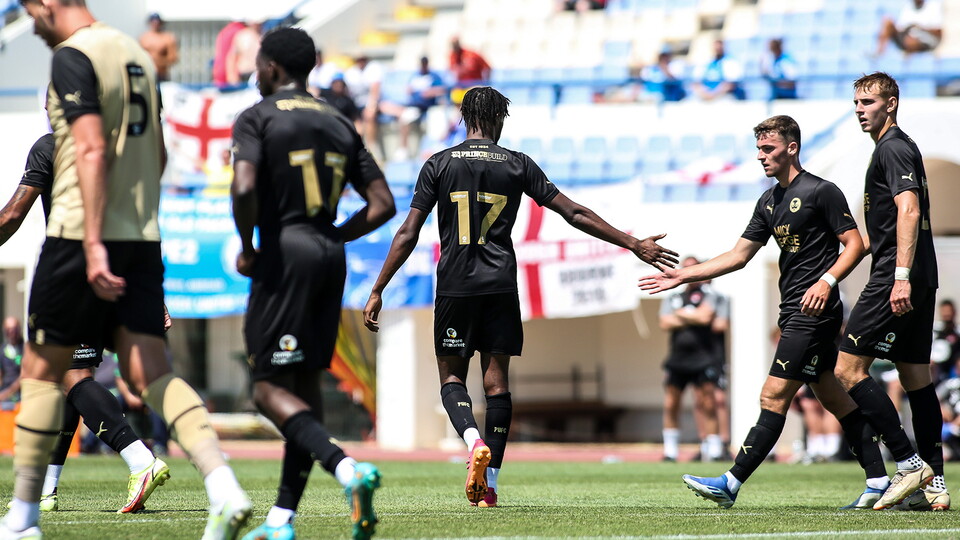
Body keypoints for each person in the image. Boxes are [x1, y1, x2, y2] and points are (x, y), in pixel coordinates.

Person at [362, 86, 679, 508]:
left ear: (465, 117)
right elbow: (574, 212)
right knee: (497, 385)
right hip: (500, 285)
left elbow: (408, 232)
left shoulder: (438, 163)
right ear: (497, 119)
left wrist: (379, 287)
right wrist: (631, 242)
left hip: (456, 285)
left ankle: (473, 441)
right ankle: (489, 484)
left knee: (453, 377)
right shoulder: (517, 163)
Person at [7, 2, 251, 539]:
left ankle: (22, 519)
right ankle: (223, 486)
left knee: (42, 368)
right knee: (151, 373)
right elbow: (158, 156)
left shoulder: (75, 56)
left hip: (79, 234)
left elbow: (91, 147)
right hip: (140, 236)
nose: (34, 25)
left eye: (32, 13)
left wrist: (92, 242)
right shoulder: (136, 56)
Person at [640, 115, 888, 510]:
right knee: (833, 396)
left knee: (773, 394)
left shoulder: (822, 191)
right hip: (793, 312)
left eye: (768, 148)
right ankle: (878, 480)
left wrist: (826, 282)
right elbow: (738, 256)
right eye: (758, 149)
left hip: (815, 312)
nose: (761, 156)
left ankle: (731, 481)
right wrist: (683, 276)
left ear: (791, 148)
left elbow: (857, 245)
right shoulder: (769, 200)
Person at [230, 27, 394, 540]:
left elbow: (244, 186)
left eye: (259, 65)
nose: (256, 74)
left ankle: (347, 469)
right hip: (329, 253)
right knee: (303, 386)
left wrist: (251, 244)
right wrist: (337, 234)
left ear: (274, 68)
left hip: (286, 253)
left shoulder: (256, 117)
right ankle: (282, 520)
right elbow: (383, 203)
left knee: (265, 387)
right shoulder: (340, 121)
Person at [0, 132, 169, 514]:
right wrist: (152, 294)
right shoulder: (117, 145)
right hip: (118, 268)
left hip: (73, 268)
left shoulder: (51, 146)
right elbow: (137, 219)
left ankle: (140, 459)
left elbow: (12, 214)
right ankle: (48, 486)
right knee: (71, 378)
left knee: (71, 375)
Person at [834, 71, 946, 511]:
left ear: (891, 103)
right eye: (857, 102)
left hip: (896, 276)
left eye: (868, 102)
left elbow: (909, 208)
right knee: (916, 377)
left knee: (847, 369)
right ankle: (935, 486)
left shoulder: (893, 147)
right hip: (922, 275)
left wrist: (899, 274)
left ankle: (908, 461)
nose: (860, 109)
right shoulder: (894, 148)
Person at [658, 257, 725, 462]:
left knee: (708, 402)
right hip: (678, 358)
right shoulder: (673, 296)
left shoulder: (710, 294)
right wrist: (692, 315)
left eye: (691, 268)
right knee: (671, 403)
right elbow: (664, 323)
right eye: (684, 268)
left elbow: (707, 318)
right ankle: (670, 451)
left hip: (703, 358)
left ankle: (714, 450)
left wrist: (681, 315)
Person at [379, 56, 446, 160]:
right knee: (405, 118)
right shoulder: (415, 76)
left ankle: (435, 148)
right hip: (415, 107)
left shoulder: (434, 76)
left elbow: (443, 89)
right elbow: (408, 90)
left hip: (430, 108)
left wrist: (431, 92)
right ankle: (403, 149)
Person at [344, 55, 384, 156]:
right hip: (355, 105)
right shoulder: (351, 72)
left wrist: (371, 106)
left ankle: (371, 147)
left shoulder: (373, 69)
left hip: (370, 103)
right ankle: (358, 148)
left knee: (369, 116)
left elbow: (375, 91)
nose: (360, 62)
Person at [875, 0, 943, 56]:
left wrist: (920, 28)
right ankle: (879, 53)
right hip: (906, 36)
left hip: (924, 40)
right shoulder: (908, 6)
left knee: (911, 41)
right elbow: (901, 27)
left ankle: (909, 55)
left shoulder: (933, 7)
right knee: (888, 21)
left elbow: (938, 31)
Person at [138, 13, 178, 82]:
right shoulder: (144, 38)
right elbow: (138, 55)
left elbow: (173, 58)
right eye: (153, 22)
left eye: (157, 22)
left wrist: (158, 63)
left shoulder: (167, 38)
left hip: (161, 74)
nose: (155, 24)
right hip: (146, 73)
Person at [932, 299, 960, 384]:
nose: (947, 314)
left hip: (953, 362)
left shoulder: (957, 331)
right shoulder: (935, 330)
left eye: (949, 311)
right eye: (944, 311)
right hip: (936, 365)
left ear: (954, 312)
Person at [226, 19, 262, 86]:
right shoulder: (242, 36)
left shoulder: (264, 35)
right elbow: (232, 58)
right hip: (245, 76)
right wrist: (232, 77)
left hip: (259, 75)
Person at [212, 19, 245, 87]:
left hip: (219, 73)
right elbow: (232, 57)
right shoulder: (240, 31)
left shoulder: (225, 31)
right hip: (231, 75)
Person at [0, 317, 23, 405]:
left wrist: (6, 394)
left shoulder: (26, 349)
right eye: (8, 329)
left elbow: (24, 375)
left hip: (20, 396)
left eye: (14, 329)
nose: (12, 332)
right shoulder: (2, 350)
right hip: (4, 396)